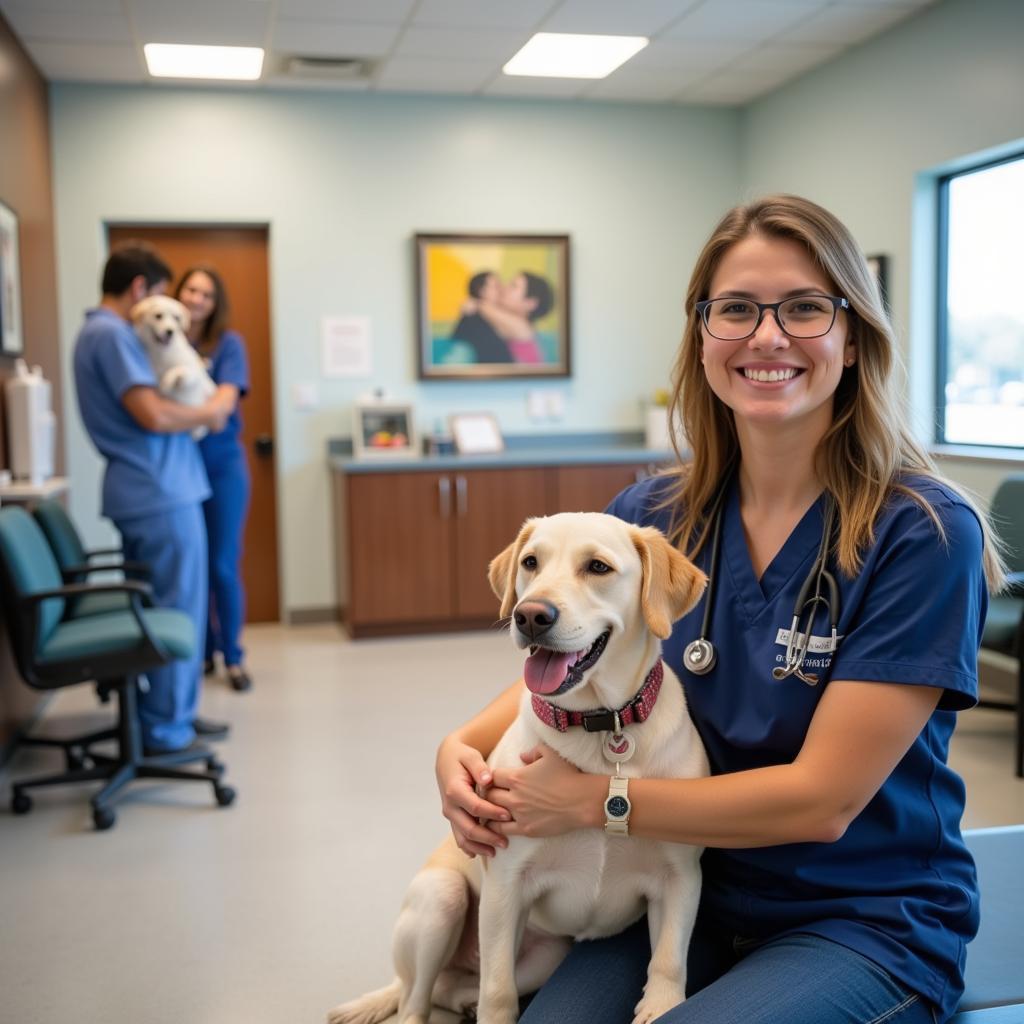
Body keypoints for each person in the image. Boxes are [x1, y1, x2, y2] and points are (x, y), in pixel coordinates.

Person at [434, 195, 1007, 1024]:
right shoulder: (653, 514)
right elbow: (577, 671)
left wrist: (598, 802)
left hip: (859, 916)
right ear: (702, 336)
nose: (766, 336)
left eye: (806, 307)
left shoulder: (920, 532)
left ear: (854, 339)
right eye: (735, 309)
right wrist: (458, 748)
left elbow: (823, 800)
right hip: (675, 888)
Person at [73, 242, 234, 753]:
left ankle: (171, 712)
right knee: (177, 609)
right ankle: (168, 727)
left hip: (146, 488)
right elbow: (155, 414)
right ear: (140, 288)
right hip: (159, 491)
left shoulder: (94, 334)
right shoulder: (112, 334)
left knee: (165, 606)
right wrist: (211, 411)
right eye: (161, 293)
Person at [175, 265, 253, 693]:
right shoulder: (163, 338)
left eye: (206, 293)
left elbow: (223, 404)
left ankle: (233, 656)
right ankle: (202, 652)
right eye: (191, 289)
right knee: (194, 564)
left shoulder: (228, 343)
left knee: (223, 564)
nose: (197, 299)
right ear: (178, 293)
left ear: (215, 301)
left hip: (223, 465)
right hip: (179, 467)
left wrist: (184, 415)